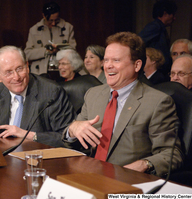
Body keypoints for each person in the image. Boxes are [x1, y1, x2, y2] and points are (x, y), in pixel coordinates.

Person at [62, 32, 183, 177]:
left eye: (116, 60)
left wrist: (145, 164)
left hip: (126, 181)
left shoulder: (158, 102)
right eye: (106, 60)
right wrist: (72, 130)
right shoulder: (93, 94)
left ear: (137, 65)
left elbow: (172, 154)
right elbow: (73, 142)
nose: (108, 66)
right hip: (89, 175)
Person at [24, 1, 76, 76]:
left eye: (56, 20)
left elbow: (73, 51)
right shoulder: (34, 30)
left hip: (62, 71)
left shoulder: (68, 28)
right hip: (40, 71)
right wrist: (46, 51)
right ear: (44, 16)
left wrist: (59, 50)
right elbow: (27, 54)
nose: (53, 23)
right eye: (50, 20)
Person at [139, 0, 177, 77]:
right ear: (165, 13)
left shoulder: (159, 27)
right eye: (173, 14)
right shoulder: (155, 26)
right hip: (156, 73)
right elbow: (138, 42)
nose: (174, 18)